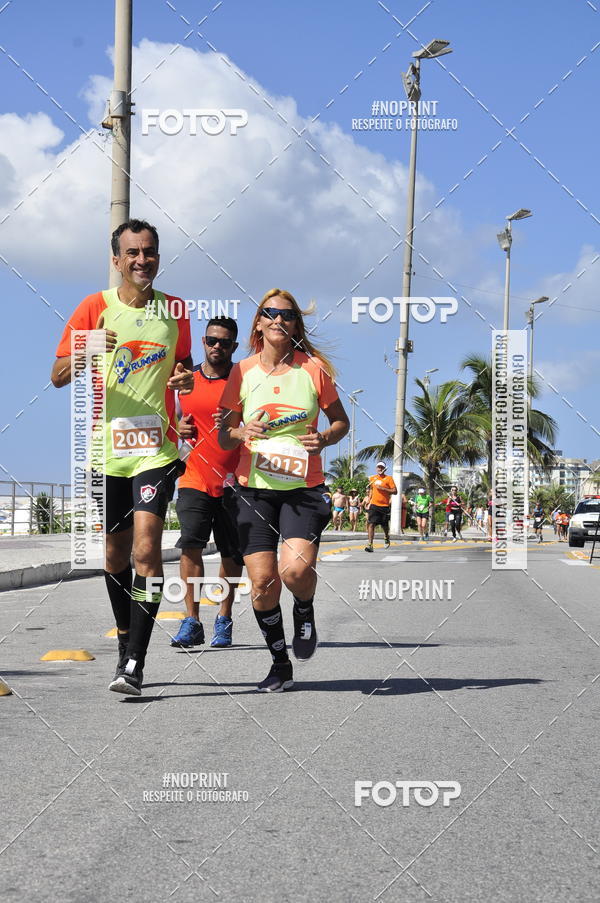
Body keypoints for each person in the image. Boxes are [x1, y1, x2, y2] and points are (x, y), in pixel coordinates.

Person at [51, 219, 194, 696]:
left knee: (146, 548)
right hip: (104, 450)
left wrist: (184, 380)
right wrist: (86, 348)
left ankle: (135, 662)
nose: (141, 261)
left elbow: (186, 369)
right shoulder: (95, 307)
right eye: (132, 253)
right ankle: (127, 636)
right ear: (116, 260)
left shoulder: (175, 310)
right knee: (114, 555)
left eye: (149, 252)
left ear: (158, 256)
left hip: (155, 448)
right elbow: (56, 375)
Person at [218, 289, 349, 692]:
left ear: (296, 327)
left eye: (287, 316)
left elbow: (340, 421)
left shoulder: (313, 369)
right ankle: (279, 663)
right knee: (261, 584)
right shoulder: (241, 372)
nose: (278, 320)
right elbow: (224, 436)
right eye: (270, 313)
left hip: (302, 489)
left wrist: (324, 439)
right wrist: (240, 431)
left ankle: (304, 611)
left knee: (294, 570)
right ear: (258, 322)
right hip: (253, 491)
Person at [170, 317, 244, 650]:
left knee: (232, 554)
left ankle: (224, 619)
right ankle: (192, 621)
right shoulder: (185, 380)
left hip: (235, 481)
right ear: (203, 341)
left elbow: (261, 423)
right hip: (193, 476)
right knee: (191, 546)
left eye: (225, 342)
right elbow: (166, 417)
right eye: (212, 340)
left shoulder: (244, 383)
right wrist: (177, 430)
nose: (217, 347)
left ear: (234, 347)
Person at [364, 462, 397, 552]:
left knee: (384, 525)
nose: (380, 469)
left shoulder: (389, 478)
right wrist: (368, 499)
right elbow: (371, 489)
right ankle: (370, 544)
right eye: (378, 467)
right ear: (376, 468)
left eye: (382, 467)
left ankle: (386, 536)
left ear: (384, 468)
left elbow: (395, 491)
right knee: (371, 523)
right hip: (374, 505)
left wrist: (383, 489)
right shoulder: (373, 478)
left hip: (384, 506)